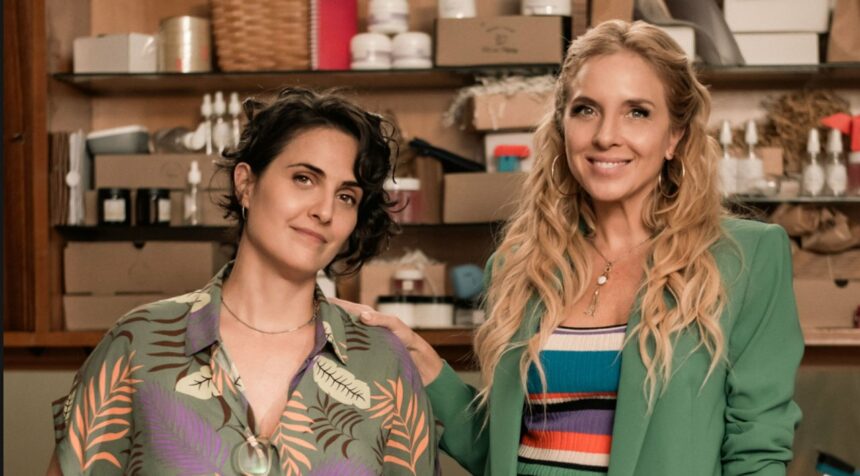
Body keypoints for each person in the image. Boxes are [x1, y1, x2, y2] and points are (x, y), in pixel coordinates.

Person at [342, 20, 803, 476]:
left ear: (675, 137)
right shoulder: (522, 265)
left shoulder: (744, 258)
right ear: (562, 127)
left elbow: (757, 453)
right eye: (586, 110)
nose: (605, 135)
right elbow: (501, 453)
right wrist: (423, 364)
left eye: (637, 112)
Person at [47, 87, 440, 476]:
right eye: (304, 178)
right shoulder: (137, 344)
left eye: (346, 197)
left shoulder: (384, 362)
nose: (324, 210)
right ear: (246, 184)